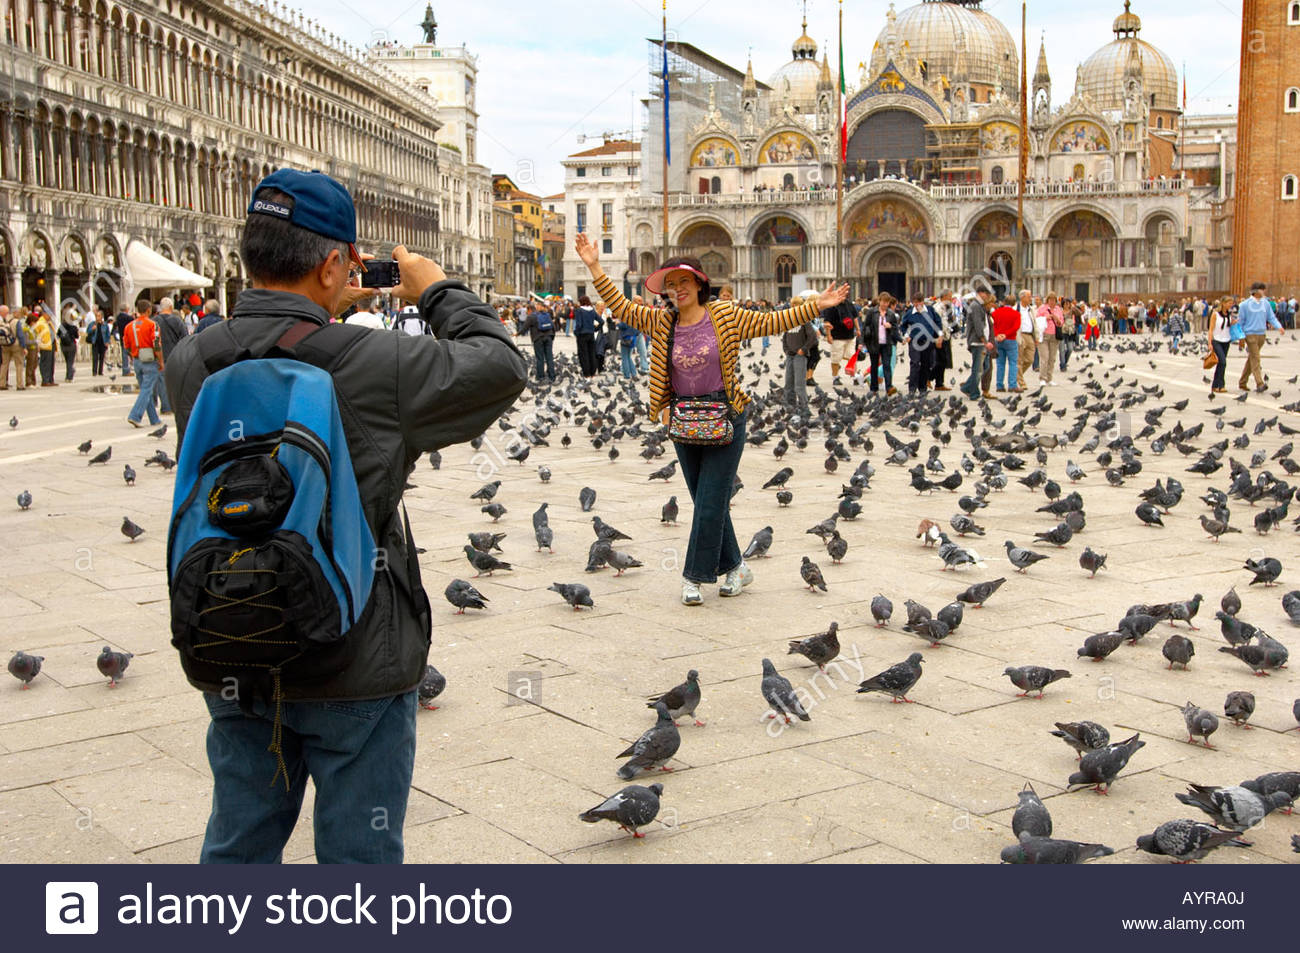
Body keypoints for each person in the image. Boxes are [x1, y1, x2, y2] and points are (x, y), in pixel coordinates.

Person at [163, 168, 526, 864]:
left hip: (232, 640)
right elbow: (498, 365)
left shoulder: (189, 359)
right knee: (359, 860)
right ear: (335, 263)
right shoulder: (376, 362)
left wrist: (320, 306)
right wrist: (438, 289)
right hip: (354, 655)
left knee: (237, 845)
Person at [574, 232, 848, 606]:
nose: (677, 290)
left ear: (700, 284)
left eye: (683, 282)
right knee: (710, 501)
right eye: (671, 285)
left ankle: (694, 577)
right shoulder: (662, 322)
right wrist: (593, 265)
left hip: (727, 415)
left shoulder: (725, 315)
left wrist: (817, 304)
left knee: (709, 502)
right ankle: (736, 567)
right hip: (684, 420)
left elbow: (772, 322)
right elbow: (621, 308)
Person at [124, 298, 164, 427]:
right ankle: (135, 416)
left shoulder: (129, 326)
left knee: (145, 389)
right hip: (150, 360)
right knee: (147, 390)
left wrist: (134, 354)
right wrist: (161, 361)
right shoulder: (153, 325)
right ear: (149, 310)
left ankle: (154, 419)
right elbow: (157, 344)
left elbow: (126, 346)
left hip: (137, 360)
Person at [1237, 281, 1283, 392]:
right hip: (1250, 334)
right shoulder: (1245, 305)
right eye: (1261, 289)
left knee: (1252, 358)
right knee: (1256, 358)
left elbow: (1271, 317)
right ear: (1255, 291)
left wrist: (1279, 327)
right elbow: (1240, 322)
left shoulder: (1265, 303)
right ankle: (1259, 383)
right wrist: (1241, 337)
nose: (1263, 291)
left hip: (1261, 335)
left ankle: (1242, 382)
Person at [899, 292, 942, 396]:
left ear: (923, 302)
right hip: (914, 341)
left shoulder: (930, 311)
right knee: (915, 363)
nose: (916, 305)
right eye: (914, 303)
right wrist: (906, 336)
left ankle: (922, 388)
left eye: (918, 302)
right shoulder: (909, 313)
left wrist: (940, 335)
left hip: (928, 341)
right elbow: (903, 326)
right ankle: (912, 389)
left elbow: (938, 322)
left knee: (926, 364)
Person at [960, 289, 996, 401]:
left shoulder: (980, 307)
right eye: (986, 294)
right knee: (978, 368)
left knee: (986, 366)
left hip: (981, 342)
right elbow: (978, 325)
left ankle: (967, 387)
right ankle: (974, 393)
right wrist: (985, 341)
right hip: (977, 342)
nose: (987, 296)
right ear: (981, 293)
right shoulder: (975, 306)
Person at [863, 293, 899, 395]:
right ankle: (874, 388)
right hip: (874, 343)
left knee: (887, 365)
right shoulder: (871, 312)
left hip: (886, 343)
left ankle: (889, 387)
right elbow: (865, 326)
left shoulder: (891, 314)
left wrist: (890, 326)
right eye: (883, 302)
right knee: (874, 366)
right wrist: (863, 342)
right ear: (879, 301)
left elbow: (896, 329)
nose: (885, 304)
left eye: (887, 302)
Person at [782, 319, 818, 414]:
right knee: (788, 383)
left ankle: (804, 407)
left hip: (800, 356)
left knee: (799, 384)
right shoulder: (788, 322)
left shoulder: (805, 322)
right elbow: (785, 337)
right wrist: (785, 349)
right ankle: (790, 407)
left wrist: (804, 349)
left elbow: (813, 337)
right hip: (790, 355)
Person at [821, 295, 859, 385]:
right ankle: (835, 377)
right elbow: (827, 322)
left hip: (850, 336)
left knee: (852, 356)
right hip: (837, 336)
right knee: (836, 358)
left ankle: (855, 376)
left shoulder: (849, 304)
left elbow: (855, 317)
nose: (843, 297)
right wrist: (828, 335)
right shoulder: (831, 306)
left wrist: (858, 329)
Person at [516, 302, 557, 382]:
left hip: (538, 338)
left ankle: (540, 376)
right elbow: (553, 326)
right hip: (548, 337)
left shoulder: (531, 316)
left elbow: (524, 328)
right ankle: (552, 376)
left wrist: (517, 334)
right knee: (549, 357)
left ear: (529, 310)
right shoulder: (546, 315)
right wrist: (552, 337)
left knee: (540, 358)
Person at [991, 294, 1022, 392]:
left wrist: (998, 335)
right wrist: (1006, 334)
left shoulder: (996, 312)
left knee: (1000, 363)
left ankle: (999, 385)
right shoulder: (1016, 314)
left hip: (998, 340)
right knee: (1013, 363)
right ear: (1014, 303)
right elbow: (1016, 327)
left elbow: (992, 325)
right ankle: (1012, 385)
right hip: (1011, 339)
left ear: (1004, 302)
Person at [1208, 296, 1235, 394]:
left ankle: (1214, 385)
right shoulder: (1215, 314)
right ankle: (1221, 385)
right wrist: (1210, 342)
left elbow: (1227, 326)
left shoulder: (1229, 314)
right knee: (1223, 362)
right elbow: (1211, 329)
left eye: (1231, 303)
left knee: (1220, 363)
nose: (1230, 305)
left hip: (1226, 340)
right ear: (1223, 303)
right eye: (1229, 303)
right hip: (1217, 340)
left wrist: (1233, 323)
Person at [1036, 293, 1062, 386]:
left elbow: (1061, 322)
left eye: (1054, 300)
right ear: (1047, 300)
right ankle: (1042, 378)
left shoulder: (1058, 309)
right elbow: (1036, 320)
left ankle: (1049, 378)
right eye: (1050, 300)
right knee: (1045, 357)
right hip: (1044, 335)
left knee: (1052, 358)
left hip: (1054, 336)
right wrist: (1045, 318)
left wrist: (1057, 319)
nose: (1052, 302)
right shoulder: (1042, 308)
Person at [572, 295, 602, 376]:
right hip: (591, 334)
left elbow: (579, 324)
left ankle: (586, 372)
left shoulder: (579, 311)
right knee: (591, 353)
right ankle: (592, 371)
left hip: (582, 334)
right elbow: (601, 321)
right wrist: (595, 329)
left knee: (583, 354)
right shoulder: (592, 310)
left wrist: (576, 332)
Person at [1015, 290, 1038, 390]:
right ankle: (1021, 381)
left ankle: (1016, 375)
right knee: (1019, 360)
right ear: (1022, 297)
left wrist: (1036, 337)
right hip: (1020, 335)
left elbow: (1035, 323)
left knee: (1030, 359)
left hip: (1030, 335)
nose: (1030, 298)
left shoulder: (1031, 309)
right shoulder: (1016, 308)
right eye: (1029, 296)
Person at [0, 304, 24, 390]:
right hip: (16, 345)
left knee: (4, 364)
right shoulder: (16, 322)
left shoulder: (3, 320)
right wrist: (23, 346)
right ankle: (20, 384)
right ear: (15, 312)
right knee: (19, 364)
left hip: (5, 344)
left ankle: (2, 383)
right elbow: (20, 335)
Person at [86, 308, 112, 375]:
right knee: (95, 358)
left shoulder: (105, 325)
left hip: (102, 342)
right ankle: (94, 371)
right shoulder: (92, 324)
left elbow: (108, 334)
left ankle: (100, 371)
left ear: (102, 317)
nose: (97, 317)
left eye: (99, 316)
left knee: (102, 357)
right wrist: (92, 329)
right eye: (96, 316)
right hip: (95, 342)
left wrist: (107, 341)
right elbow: (88, 331)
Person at [57, 306, 80, 381]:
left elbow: (58, 335)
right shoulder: (73, 326)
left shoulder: (62, 326)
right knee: (70, 361)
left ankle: (68, 374)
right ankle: (69, 377)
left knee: (67, 361)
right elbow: (77, 336)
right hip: (71, 345)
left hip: (63, 345)